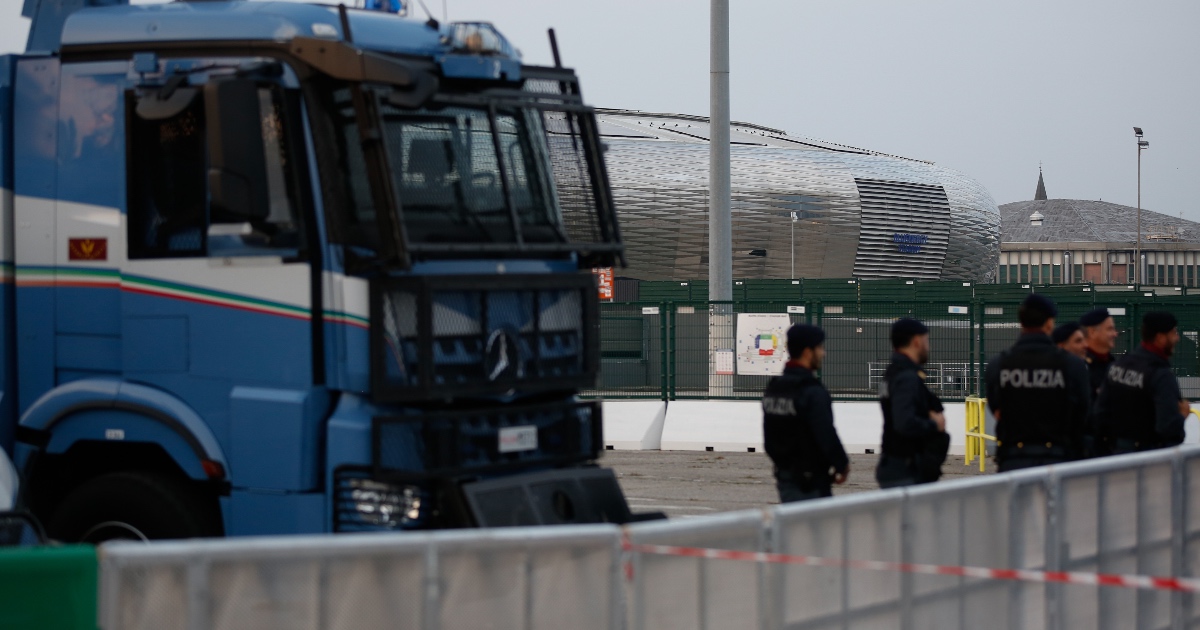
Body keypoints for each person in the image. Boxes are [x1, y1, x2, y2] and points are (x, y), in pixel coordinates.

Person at [985, 294, 1090, 471]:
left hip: (1013, 460)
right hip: (1059, 459)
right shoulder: (1072, 365)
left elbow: (995, 408)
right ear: (1049, 323)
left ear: (1021, 322)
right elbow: (1083, 413)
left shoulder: (999, 365)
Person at [761, 324, 850, 502]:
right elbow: (826, 433)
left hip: (785, 477)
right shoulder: (811, 391)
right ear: (808, 352)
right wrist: (842, 464)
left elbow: (769, 439)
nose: (823, 354)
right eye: (820, 348)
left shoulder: (775, 388)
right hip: (811, 482)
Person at [1093, 311, 1189, 454]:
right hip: (1146, 459)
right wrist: (1181, 416)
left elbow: (1100, 413)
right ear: (1160, 338)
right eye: (1173, 333)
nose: (1177, 338)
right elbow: (1168, 429)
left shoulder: (1119, 365)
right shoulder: (1160, 375)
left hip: (1114, 454)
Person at [876, 318, 950, 488]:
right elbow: (904, 422)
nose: (928, 346)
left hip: (897, 463)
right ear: (917, 342)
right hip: (906, 468)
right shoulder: (906, 377)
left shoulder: (893, 373)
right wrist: (934, 424)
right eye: (926, 341)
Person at [1080, 307, 1119, 456]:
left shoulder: (1115, 367)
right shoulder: (1079, 368)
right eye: (1109, 329)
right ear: (1092, 332)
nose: (1115, 334)